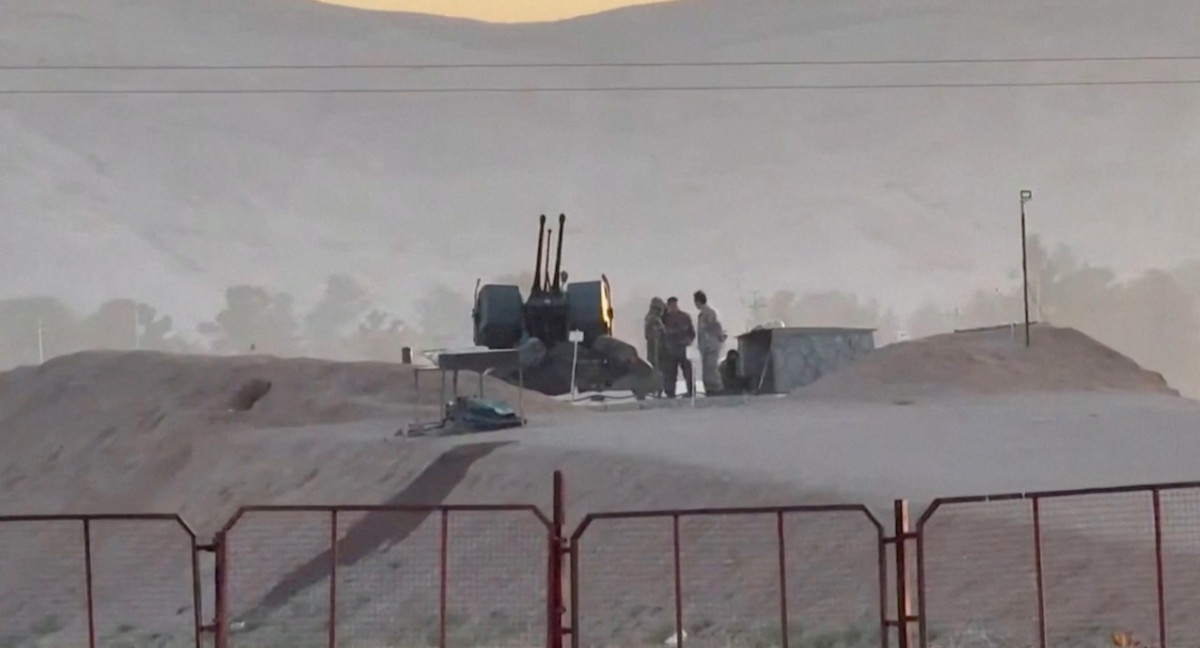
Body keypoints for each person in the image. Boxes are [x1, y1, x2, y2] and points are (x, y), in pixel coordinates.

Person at [661, 296, 696, 398]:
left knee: (688, 372)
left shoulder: (685, 317)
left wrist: (688, 341)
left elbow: (691, 332)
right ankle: (670, 393)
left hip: (683, 349)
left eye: (674, 304)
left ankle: (691, 391)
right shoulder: (664, 318)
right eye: (671, 305)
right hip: (670, 350)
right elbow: (661, 334)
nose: (673, 307)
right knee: (670, 374)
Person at [694, 290, 727, 395]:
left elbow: (714, 327)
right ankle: (710, 388)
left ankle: (717, 388)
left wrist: (718, 337)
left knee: (711, 368)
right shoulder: (702, 314)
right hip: (705, 346)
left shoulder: (709, 313)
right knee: (707, 369)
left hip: (711, 345)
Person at [643, 297, 667, 397]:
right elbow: (662, 333)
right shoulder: (654, 319)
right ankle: (658, 390)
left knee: (655, 369)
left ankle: (657, 390)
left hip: (653, 347)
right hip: (656, 348)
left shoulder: (649, 318)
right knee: (658, 370)